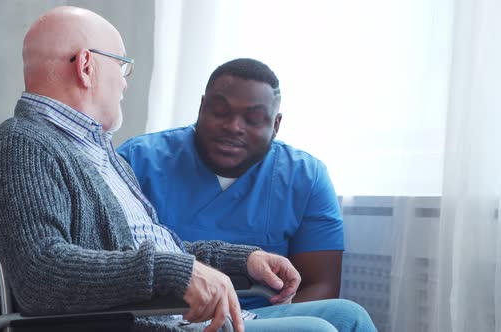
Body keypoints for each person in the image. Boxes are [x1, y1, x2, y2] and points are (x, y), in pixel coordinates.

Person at [0, 6, 376, 332]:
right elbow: (42, 276)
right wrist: (177, 271)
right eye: (122, 66)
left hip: (173, 315)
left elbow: (157, 249)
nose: (125, 82)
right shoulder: (21, 145)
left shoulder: (99, 153)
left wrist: (243, 259)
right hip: (146, 323)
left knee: (348, 316)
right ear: (87, 67)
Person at [118, 58, 344, 310]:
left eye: (254, 118)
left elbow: (321, 284)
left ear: (276, 124)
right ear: (202, 107)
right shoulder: (137, 160)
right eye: (220, 112)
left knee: (348, 315)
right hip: (168, 317)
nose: (233, 127)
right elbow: (112, 258)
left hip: (263, 319)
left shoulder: (306, 176)